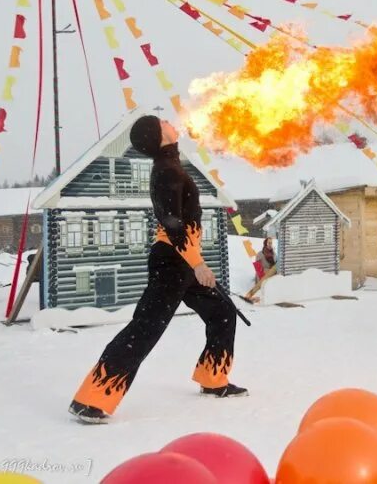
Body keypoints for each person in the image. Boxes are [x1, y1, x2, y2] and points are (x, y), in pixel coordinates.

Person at [68, 116, 246, 424]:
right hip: (173, 261)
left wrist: (194, 262)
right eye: (161, 121)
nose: (168, 119)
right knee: (145, 328)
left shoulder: (171, 167)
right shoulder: (166, 172)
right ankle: (92, 397)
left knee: (222, 312)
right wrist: (198, 264)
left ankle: (213, 378)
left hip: (182, 260)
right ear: (159, 135)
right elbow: (172, 225)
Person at [243, 237, 278, 302]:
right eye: (269, 243)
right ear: (265, 243)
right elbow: (257, 267)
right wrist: (265, 270)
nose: (270, 244)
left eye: (271, 243)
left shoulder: (274, 254)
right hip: (261, 278)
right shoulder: (260, 254)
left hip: (271, 277)